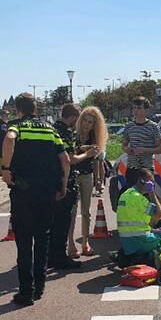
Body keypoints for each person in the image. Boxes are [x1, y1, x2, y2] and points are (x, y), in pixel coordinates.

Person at [0, 93, 69, 306]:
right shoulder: (50, 129)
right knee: (43, 238)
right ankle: (40, 286)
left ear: (18, 110)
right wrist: (63, 185)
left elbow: (10, 139)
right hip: (47, 191)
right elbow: (65, 159)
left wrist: (5, 168)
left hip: (23, 190)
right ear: (35, 109)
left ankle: (26, 292)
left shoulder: (17, 126)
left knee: (24, 241)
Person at [49, 103, 98, 268]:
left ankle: (77, 245)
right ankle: (63, 253)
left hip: (62, 177)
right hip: (68, 178)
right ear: (75, 118)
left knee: (78, 214)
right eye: (82, 119)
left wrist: (81, 149)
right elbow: (70, 160)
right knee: (66, 216)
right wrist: (87, 154)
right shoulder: (67, 132)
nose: (85, 124)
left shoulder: (53, 128)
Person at [117, 167, 161, 259]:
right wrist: (151, 192)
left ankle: (142, 255)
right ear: (142, 181)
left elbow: (134, 223)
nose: (153, 183)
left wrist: (153, 230)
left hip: (128, 241)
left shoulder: (125, 195)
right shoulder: (139, 198)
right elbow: (159, 215)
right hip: (142, 240)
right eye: (151, 181)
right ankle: (152, 257)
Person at [73, 106, 108, 256]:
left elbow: (96, 161)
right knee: (72, 211)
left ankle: (85, 243)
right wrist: (86, 150)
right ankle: (70, 245)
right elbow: (72, 154)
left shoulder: (95, 138)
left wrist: (98, 179)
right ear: (80, 121)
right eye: (85, 121)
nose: (87, 124)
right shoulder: (73, 135)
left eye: (91, 122)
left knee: (86, 212)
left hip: (87, 175)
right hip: (73, 175)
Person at [122, 96, 161, 172]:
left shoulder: (153, 126)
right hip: (132, 167)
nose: (135, 111)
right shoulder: (129, 126)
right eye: (134, 108)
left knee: (147, 184)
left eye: (139, 108)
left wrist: (144, 150)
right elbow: (124, 145)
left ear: (146, 110)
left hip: (147, 168)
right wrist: (127, 149)